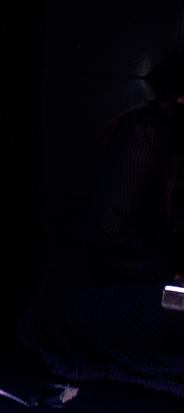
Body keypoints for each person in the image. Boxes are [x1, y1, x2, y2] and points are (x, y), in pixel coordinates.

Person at [18, 74, 184, 394]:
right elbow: (109, 242)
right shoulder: (148, 129)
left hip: (155, 292)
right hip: (96, 293)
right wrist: (172, 279)